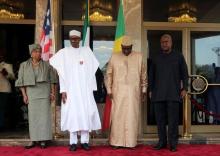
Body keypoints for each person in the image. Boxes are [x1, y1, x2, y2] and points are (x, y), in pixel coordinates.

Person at [49, 30, 101, 151]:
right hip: (70, 90)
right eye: (71, 38)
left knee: (85, 114)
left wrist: (91, 88)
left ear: (80, 39)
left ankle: (84, 142)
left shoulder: (87, 51)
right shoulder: (64, 53)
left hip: (84, 90)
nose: (74, 40)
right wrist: (63, 90)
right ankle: (72, 142)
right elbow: (61, 73)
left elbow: (93, 71)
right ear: (69, 39)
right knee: (73, 115)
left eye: (76, 38)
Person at [105, 36, 147, 148]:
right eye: (124, 48)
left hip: (134, 92)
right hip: (118, 92)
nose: (126, 51)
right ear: (121, 47)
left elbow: (143, 75)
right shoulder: (114, 56)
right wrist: (109, 89)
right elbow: (108, 74)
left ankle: (131, 142)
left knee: (132, 116)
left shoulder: (139, 56)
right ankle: (116, 142)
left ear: (132, 47)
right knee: (117, 116)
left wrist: (144, 90)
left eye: (128, 48)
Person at [148, 34, 188, 152]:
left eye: (167, 42)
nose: (164, 44)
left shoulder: (179, 56)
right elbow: (151, 75)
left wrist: (185, 88)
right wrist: (150, 90)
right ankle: (162, 142)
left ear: (171, 43)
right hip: (158, 94)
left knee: (173, 121)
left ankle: (173, 144)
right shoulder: (155, 57)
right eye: (162, 42)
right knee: (160, 121)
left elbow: (185, 73)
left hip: (173, 93)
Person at [15, 44, 57, 149]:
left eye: (40, 51)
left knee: (44, 117)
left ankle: (43, 140)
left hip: (44, 93)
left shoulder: (47, 65)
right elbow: (21, 82)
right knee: (33, 117)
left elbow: (53, 80)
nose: (38, 53)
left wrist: (52, 93)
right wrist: (24, 95)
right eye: (36, 51)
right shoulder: (24, 65)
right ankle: (33, 139)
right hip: (31, 94)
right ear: (31, 53)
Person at [0, 53, 15, 131]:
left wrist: (6, 74)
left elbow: (13, 77)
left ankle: (2, 126)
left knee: (2, 108)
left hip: (4, 89)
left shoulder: (8, 66)